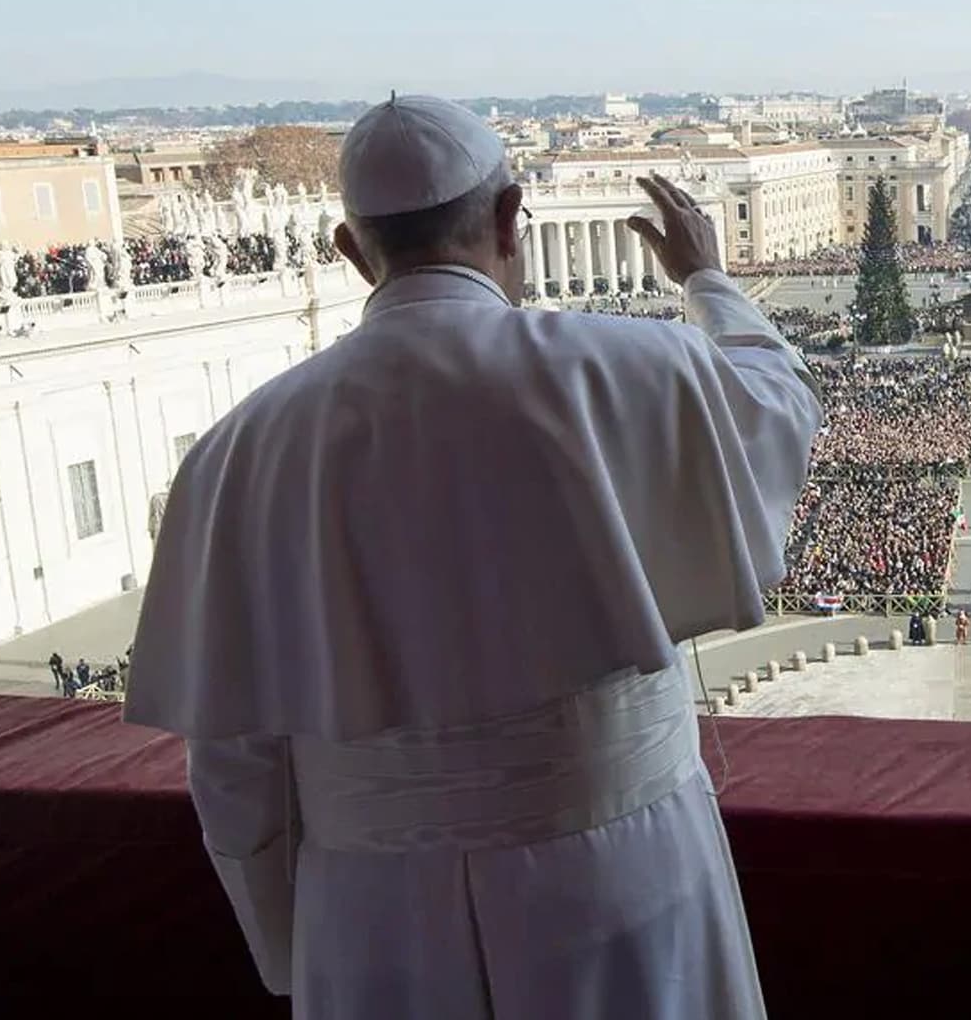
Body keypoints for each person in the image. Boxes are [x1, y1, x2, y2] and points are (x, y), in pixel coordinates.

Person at [124, 96, 820, 1019]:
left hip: (375, 914)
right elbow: (779, 404)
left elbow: (234, 762)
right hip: (622, 876)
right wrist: (709, 280)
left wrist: (291, 941)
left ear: (349, 249)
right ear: (509, 219)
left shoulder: (235, 453)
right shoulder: (636, 366)